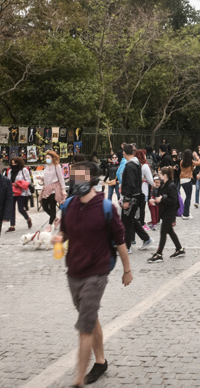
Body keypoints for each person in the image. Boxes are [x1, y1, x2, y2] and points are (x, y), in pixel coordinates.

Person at [52, 161, 132, 388]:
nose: (75, 181)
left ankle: (79, 379)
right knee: (90, 316)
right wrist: (59, 238)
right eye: (73, 177)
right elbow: (66, 232)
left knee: (85, 324)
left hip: (97, 273)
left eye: (80, 177)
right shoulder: (68, 205)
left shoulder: (106, 208)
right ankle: (100, 361)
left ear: (92, 179)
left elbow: (120, 242)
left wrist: (127, 270)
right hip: (74, 271)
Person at [147, 166, 185, 263]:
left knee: (163, 232)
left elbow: (173, 200)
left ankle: (159, 254)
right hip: (164, 212)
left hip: (169, 213)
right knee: (170, 232)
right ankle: (179, 249)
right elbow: (160, 198)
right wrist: (154, 201)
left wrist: (162, 199)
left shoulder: (171, 185)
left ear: (165, 175)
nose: (159, 177)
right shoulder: (164, 185)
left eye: (160, 175)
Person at [120, 144, 152, 253]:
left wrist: (126, 200)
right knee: (131, 220)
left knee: (126, 222)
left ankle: (127, 246)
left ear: (124, 152)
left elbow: (130, 184)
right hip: (136, 196)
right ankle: (146, 238)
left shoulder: (130, 166)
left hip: (131, 197)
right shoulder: (137, 163)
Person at [41, 150, 67, 225]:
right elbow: (47, 177)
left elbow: (61, 178)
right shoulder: (46, 166)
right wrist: (42, 178)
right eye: (46, 157)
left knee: (52, 207)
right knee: (45, 206)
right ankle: (55, 218)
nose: (47, 159)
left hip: (54, 190)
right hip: (46, 189)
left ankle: (49, 225)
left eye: (48, 157)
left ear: (52, 158)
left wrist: (63, 189)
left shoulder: (57, 166)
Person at [7, 157, 33, 232]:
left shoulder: (23, 170)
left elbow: (28, 180)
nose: (13, 164)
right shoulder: (10, 171)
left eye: (15, 163)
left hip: (21, 192)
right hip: (12, 192)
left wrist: (18, 183)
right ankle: (12, 225)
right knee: (11, 208)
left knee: (20, 209)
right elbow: (8, 180)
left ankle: (27, 218)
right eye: (12, 163)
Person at [179, 149, 198, 219]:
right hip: (188, 179)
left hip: (182, 180)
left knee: (187, 196)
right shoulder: (191, 162)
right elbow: (199, 163)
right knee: (188, 197)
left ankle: (185, 211)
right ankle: (185, 213)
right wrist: (196, 156)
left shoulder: (181, 162)